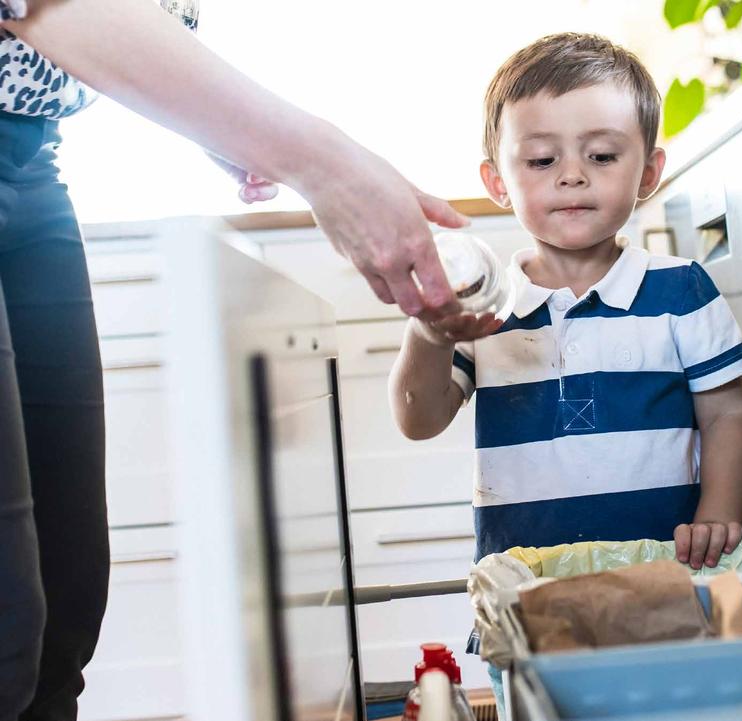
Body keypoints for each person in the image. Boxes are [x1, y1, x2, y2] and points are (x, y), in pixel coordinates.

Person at [0, 1, 466, 719]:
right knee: (6, 623)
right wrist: (320, 162)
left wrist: (216, 127)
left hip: (32, 162)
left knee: (64, 608)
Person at [388, 32, 742, 715]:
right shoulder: (483, 306)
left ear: (646, 172)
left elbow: (728, 413)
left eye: (600, 155)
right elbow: (419, 416)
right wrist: (427, 329)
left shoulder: (680, 289)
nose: (571, 175)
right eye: (540, 159)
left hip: (667, 576)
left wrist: (719, 514)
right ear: (497, 182)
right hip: (530, 590)